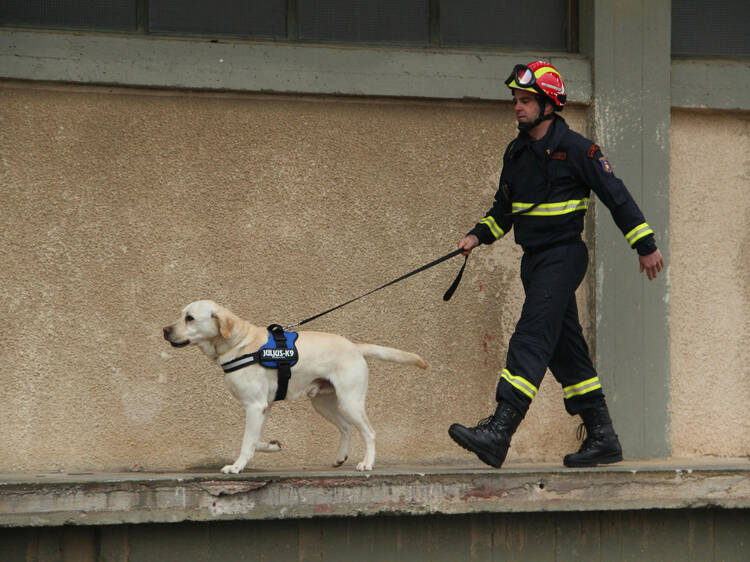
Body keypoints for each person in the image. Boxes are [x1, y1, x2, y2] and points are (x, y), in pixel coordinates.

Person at [448, 60, 664, 469]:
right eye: (515, 99)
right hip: (535, 262)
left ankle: (500, 430)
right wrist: (477, 236)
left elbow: (615, 194)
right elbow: (503, 210)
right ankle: (603, 436)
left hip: (563, 257)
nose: (517, 106)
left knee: (531, 335)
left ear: (549, 105)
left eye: (526, 100)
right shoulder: (516, 154)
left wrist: (645, 244)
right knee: (567, 352)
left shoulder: (579, 150)